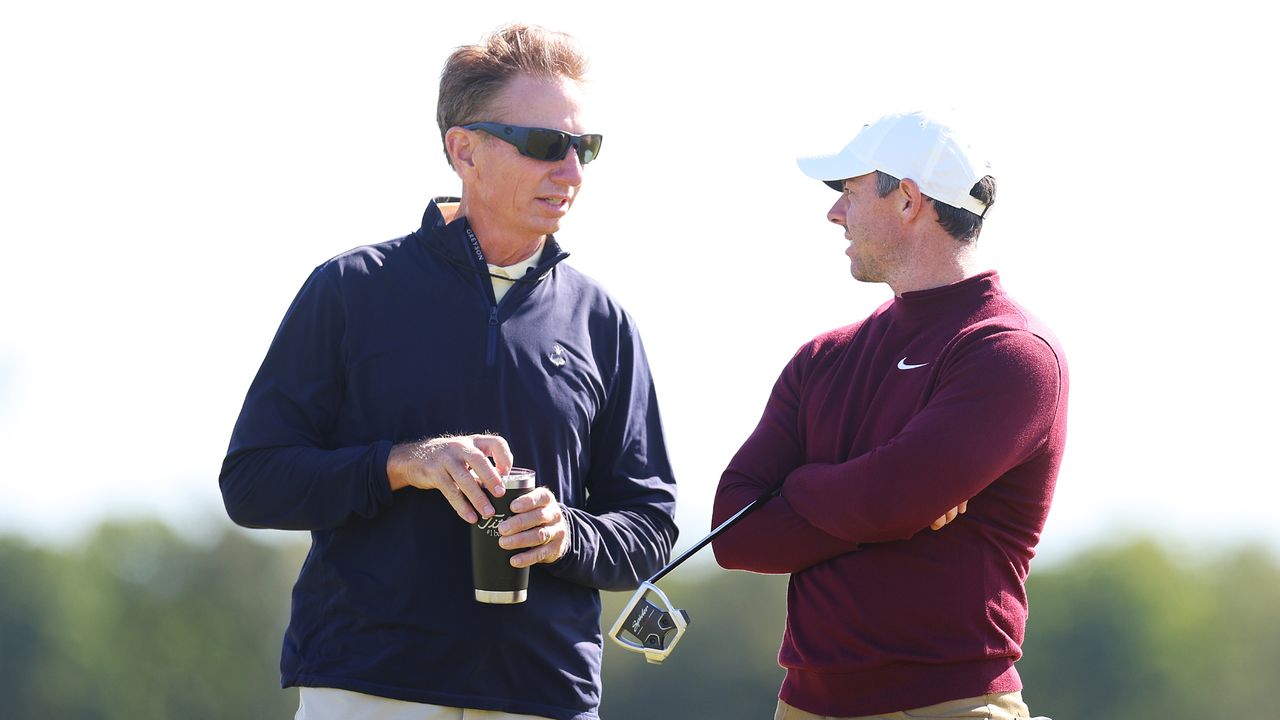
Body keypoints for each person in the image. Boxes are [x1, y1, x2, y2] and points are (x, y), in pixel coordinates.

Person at [219, 24, 678, 720]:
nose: (573, 171)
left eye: (584, 148)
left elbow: (649, 525)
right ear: (463, 150)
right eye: (546, 145)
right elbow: (253, 484)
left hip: (544, 692)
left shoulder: (602, 321)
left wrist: (566, 534)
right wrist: (403, 464)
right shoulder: (350, 288)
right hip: (368, 685)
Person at [711, 110, 1068, 720]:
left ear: (907, 199)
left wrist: (801, 489)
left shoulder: (1011, 352)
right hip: (804, 706)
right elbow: (735, 530)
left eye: (848, 192)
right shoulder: (823, 357)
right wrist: (885, 499)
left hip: (950, 705)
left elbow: (889, 501)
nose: (834, 213)